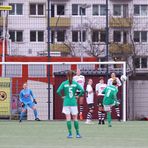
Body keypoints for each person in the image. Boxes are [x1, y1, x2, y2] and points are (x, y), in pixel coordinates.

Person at [57, 70, 84, 138]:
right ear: (73, 76)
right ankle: (77, 134)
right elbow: (82, 90)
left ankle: (70, 134)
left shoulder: (64, 83)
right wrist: (78, 96)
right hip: (73, 102)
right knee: (75, 118)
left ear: (67, 76)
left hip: (66, 102)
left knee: (68, 118)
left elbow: (58, 91)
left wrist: (62, 96)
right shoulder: (75, 83)